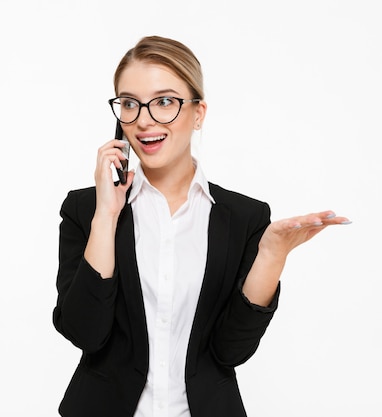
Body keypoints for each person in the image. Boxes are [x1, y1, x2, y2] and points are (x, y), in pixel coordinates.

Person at [53, 35, 350, 417]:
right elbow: (85, 333)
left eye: (164, 102)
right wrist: (107, 214)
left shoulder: (244, 217)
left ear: (198, 113)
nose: (143, 120)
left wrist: (272, 255)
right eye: (129, 103)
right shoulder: (85, 209)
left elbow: (231, 351)